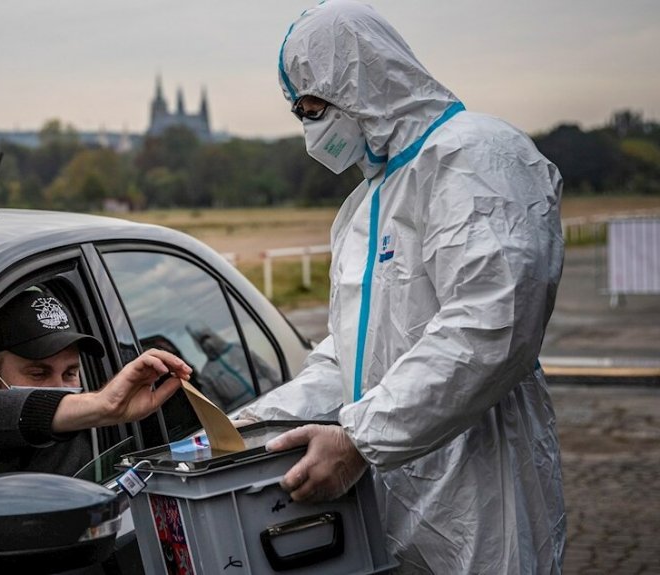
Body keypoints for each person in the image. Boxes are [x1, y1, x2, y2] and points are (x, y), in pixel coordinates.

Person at [238, 2, 566, 572]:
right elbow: (352, 354)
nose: (311, 131)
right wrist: (256, 426)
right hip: (391, 487)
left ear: (357, 84)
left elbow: (492, 324)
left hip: (478, 483)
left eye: (313, 110)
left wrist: (360, 439)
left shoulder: (474, 156)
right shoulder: (368, 202)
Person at [0, 289, 191, 499]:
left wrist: (102, 407)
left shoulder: (84, 440)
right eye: (38, 373)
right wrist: (100, 404)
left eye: (70, 373)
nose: (60, 389)